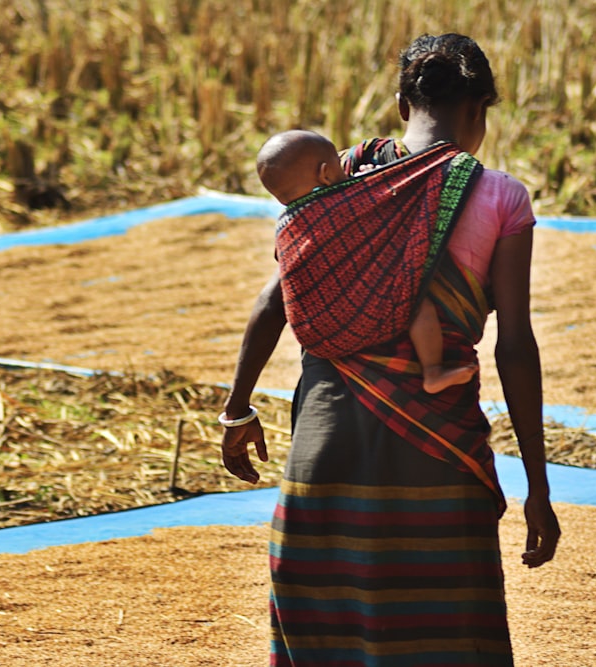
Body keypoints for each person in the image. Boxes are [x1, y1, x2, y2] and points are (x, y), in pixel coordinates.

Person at [219, 34, 561, 666]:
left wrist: (237, 407)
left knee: (324, 633)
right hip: (439, 451)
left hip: (326, 445)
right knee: (445, 639)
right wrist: (539, 487)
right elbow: (516, 345)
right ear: (482, 109)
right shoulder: (502, 197)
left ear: (403, 104)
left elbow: (274, 299)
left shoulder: (341, 173)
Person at [256, 128, 478, 394]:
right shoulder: (345, 204)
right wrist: (367, 180)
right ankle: (433, 371)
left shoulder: (287, 226)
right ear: (325, 174)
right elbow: (377, 203)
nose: (347, 173)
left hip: (318, 336)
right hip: (368, 316)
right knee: (421, 304)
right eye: (340, 167)